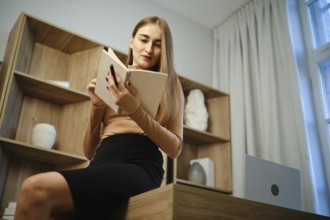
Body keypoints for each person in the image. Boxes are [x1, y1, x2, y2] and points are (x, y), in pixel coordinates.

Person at [14, 16, 184, 220]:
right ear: (132, 40)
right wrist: (96, 105)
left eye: (158, 44)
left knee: (35, 189)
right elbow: (88, 151)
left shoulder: (171, 85)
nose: (148, 49)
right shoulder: (113, 77)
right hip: (102, 161)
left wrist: (135, 110)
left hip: (141, 166)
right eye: (143, 39)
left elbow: (174, 149)